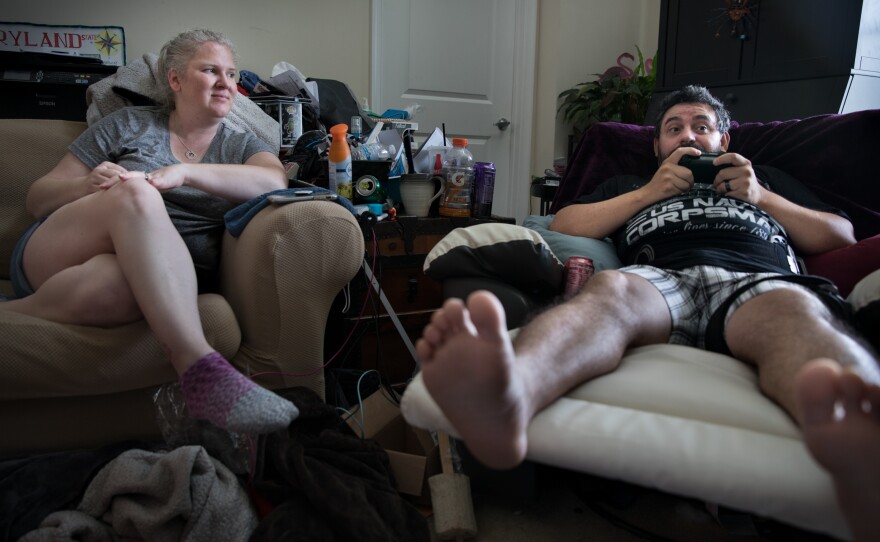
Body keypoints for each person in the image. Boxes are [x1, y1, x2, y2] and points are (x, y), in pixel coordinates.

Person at [416, 86, 880, 540]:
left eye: (702, 126)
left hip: (757, 281)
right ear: (657, 145)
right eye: (673, 128)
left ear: (724, 140)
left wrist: (760, 197)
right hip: (658, 279)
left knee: (793, 310)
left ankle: (857, 443)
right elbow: (565, 223)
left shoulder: (765, 179)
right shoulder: (631, 185)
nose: (688, 136)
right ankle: (510, 395)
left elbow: (843, 234)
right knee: (609, 291)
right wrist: (648, 195)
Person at [0, 29, 298, 434]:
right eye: (210, 70)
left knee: (119, 287)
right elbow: (38, 198)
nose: (226, 83)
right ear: (175, 80)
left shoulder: (241, 145)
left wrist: (186, 172)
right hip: (60, 251)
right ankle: (198, 368)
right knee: (137, 192)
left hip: (144, 277)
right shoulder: (127, 125)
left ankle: (11, 312)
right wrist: (84, 186)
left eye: (230, 73)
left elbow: (274, 183)